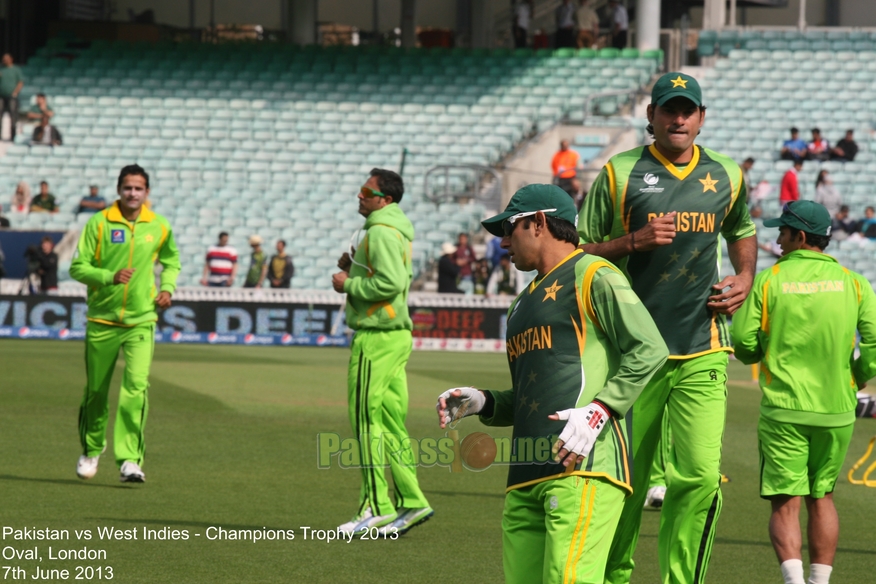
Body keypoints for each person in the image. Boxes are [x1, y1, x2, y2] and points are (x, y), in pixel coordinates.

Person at [436, 184, 668, 584]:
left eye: (510, 229)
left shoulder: (595, 274)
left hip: (583, 466)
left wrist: (601, 409)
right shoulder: (520, 304)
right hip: (525, 473)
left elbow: (650, 349)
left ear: (539, 222)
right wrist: (483, 402)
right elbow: (531, 397)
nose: (504, 242)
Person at [577, 71, 757, 584]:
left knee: (699, 478)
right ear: (651, 116)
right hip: (634, 355)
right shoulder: (618, 173)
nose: (678, 118)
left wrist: (745, 275)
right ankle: (613, 576)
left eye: (688, 110)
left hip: (703, 347)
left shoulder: (727, 175)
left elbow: (742, 229)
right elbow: (576, 252)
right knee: (627, 483)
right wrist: (631, 242)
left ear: (702, 118)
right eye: (668, 109)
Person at [731, 201, 876, 584]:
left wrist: (764, 349)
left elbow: (742, 343)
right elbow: (875, 346)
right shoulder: (854, 282)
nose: (776, 240)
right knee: (823, 497)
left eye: (782, 232)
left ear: (800, 236)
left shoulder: (768, 280)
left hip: (785, 410)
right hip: (837, 410)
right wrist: (856, 378)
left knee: (786, 503)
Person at [331, 168, 432, 536]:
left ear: (384, 199)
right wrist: (354, 267)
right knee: (390, 424)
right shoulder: (390, 231)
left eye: (366, 190)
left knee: (365, 420)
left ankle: (375, 506)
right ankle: (412, 501)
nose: (360, 196)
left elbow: (390, 282)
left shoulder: (382, 232)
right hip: (392, 336)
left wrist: (349, 283)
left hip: (376, 337)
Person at [70, 164, 180, 483]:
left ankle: (130, 459)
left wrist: (167, 288)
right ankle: (91, 449)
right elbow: (78, 267)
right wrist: (108, 277)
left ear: (147, 192)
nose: (133, 193)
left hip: (141, 320)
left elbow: (172, 261)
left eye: (139, 188)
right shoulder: (99, 222)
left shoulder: (158, 226)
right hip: (102, 320)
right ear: (119, 190)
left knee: (136, 388)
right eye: (128, 188)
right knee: (96, 392)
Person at [0, 53, 24, 142]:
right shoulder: (1, 69)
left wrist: (15, 93)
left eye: (6, 59)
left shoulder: (16, 70)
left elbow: (20, 82)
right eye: (3, 59)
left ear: (11, 59)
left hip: (11, 96)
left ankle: (13, 136)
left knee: (13, 115)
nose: (4, 60)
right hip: (1, 96)